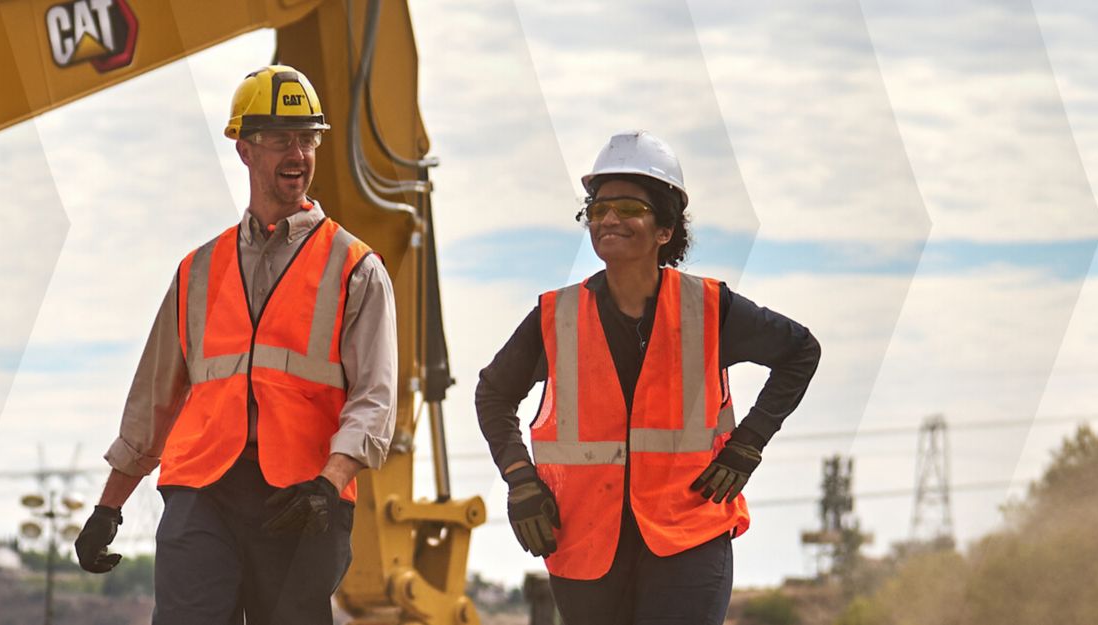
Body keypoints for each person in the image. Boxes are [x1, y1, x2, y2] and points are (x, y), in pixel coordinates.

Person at [70, 65, 399, 625]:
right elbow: (154, 401)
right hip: (204, 492)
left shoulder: (356, 269)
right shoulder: (198, 270)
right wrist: (109, 506)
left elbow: (375, 401)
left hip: (303, 501)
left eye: (307, 138)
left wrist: (330, 483)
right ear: (245, 150)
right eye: (280, 139)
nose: (297, 154)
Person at [475, 131, 822, 624]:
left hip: (688, 537)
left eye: (628, 207)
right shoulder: (557, 316)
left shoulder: (709, 309)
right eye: (598, 209)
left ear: (665, 229)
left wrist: (748, 445)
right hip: (585, 541)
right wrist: (519, 479)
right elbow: (493, 393)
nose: (609, 218)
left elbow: (800, 351)